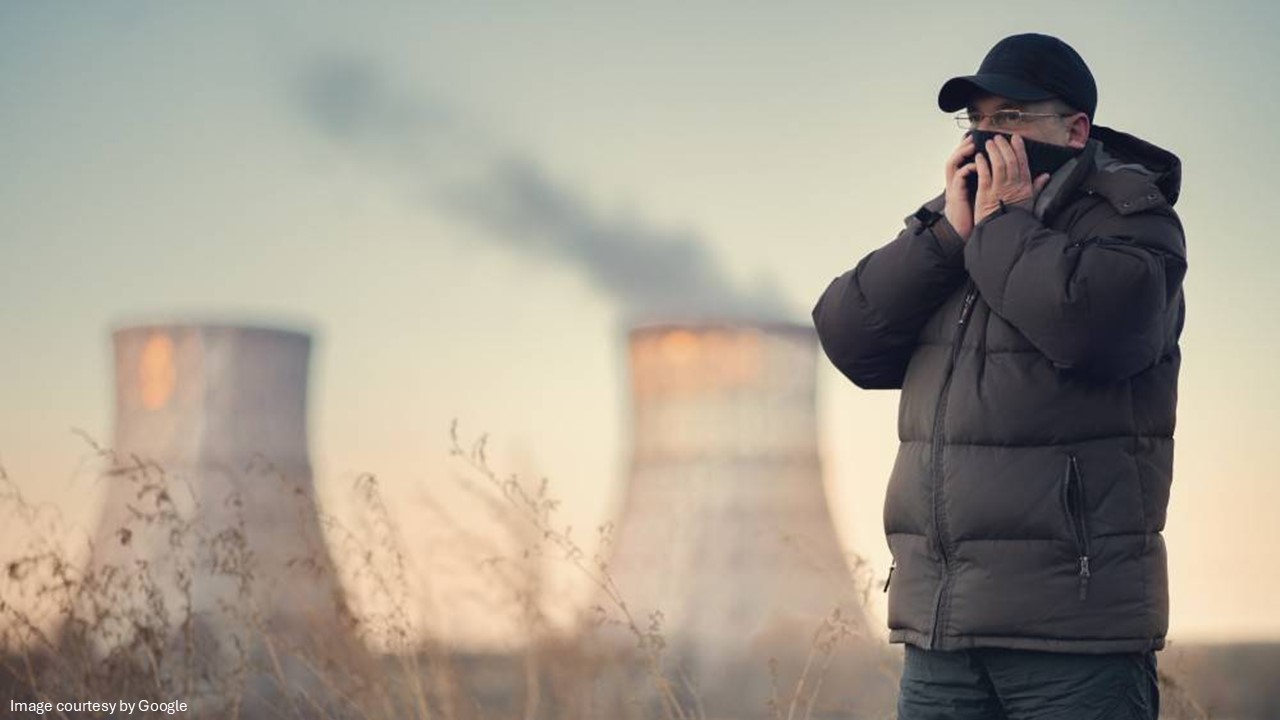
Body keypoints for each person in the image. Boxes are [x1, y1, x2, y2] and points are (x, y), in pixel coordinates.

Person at [811, 33, 1186, 719]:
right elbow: (848, 337)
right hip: (941, 635)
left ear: (1075, 130)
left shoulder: (1132, 221)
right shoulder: (958, 223)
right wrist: (943, 239)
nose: (988, 137)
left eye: (1010, 118)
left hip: (1073, 639)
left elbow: (1094, 331)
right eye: (977, 119)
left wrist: (1002, 228)